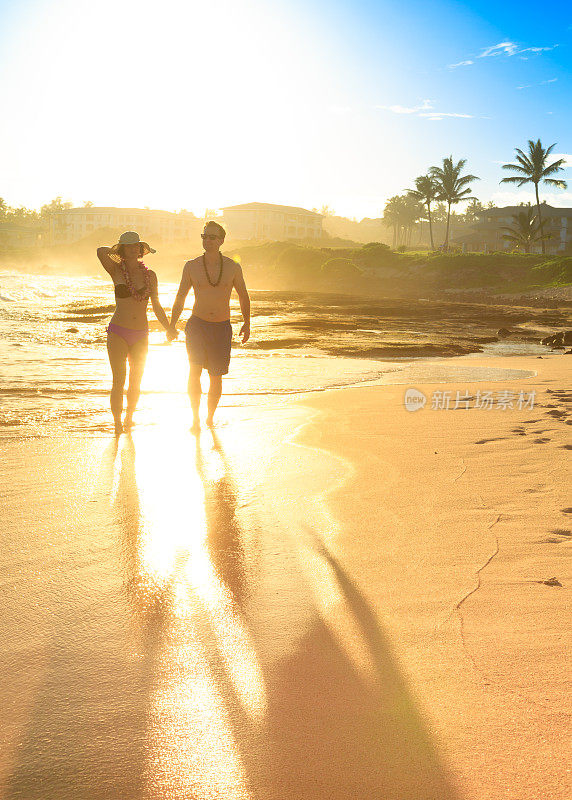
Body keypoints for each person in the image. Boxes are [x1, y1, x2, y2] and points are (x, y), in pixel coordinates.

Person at [168, 221, 250, 431]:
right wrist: (171, 324)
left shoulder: (233, 266)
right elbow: (180, 296)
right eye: (204, 236)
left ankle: (210, 418)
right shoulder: (192, 266)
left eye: (212, 237)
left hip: (221, 327)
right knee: (194, 371)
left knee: (216, 375)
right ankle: (195, 418)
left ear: (221, 240)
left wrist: (247, 323)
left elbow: (243, 295)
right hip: (197, 325)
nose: (208, 240)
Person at [97, 231, 172, 435]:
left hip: (141, 333)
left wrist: (169, 327)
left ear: (141, 250)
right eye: (128, 246)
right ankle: (117, 423)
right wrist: (117, 253)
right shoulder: (115, 271)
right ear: (122, 249)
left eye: (136, 246)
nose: (133, 249)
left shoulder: (150, 275)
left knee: (136, 380)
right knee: (118, 380)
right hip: (118, 332)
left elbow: (156, 305)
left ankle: (129, 416)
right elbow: (100, 251)